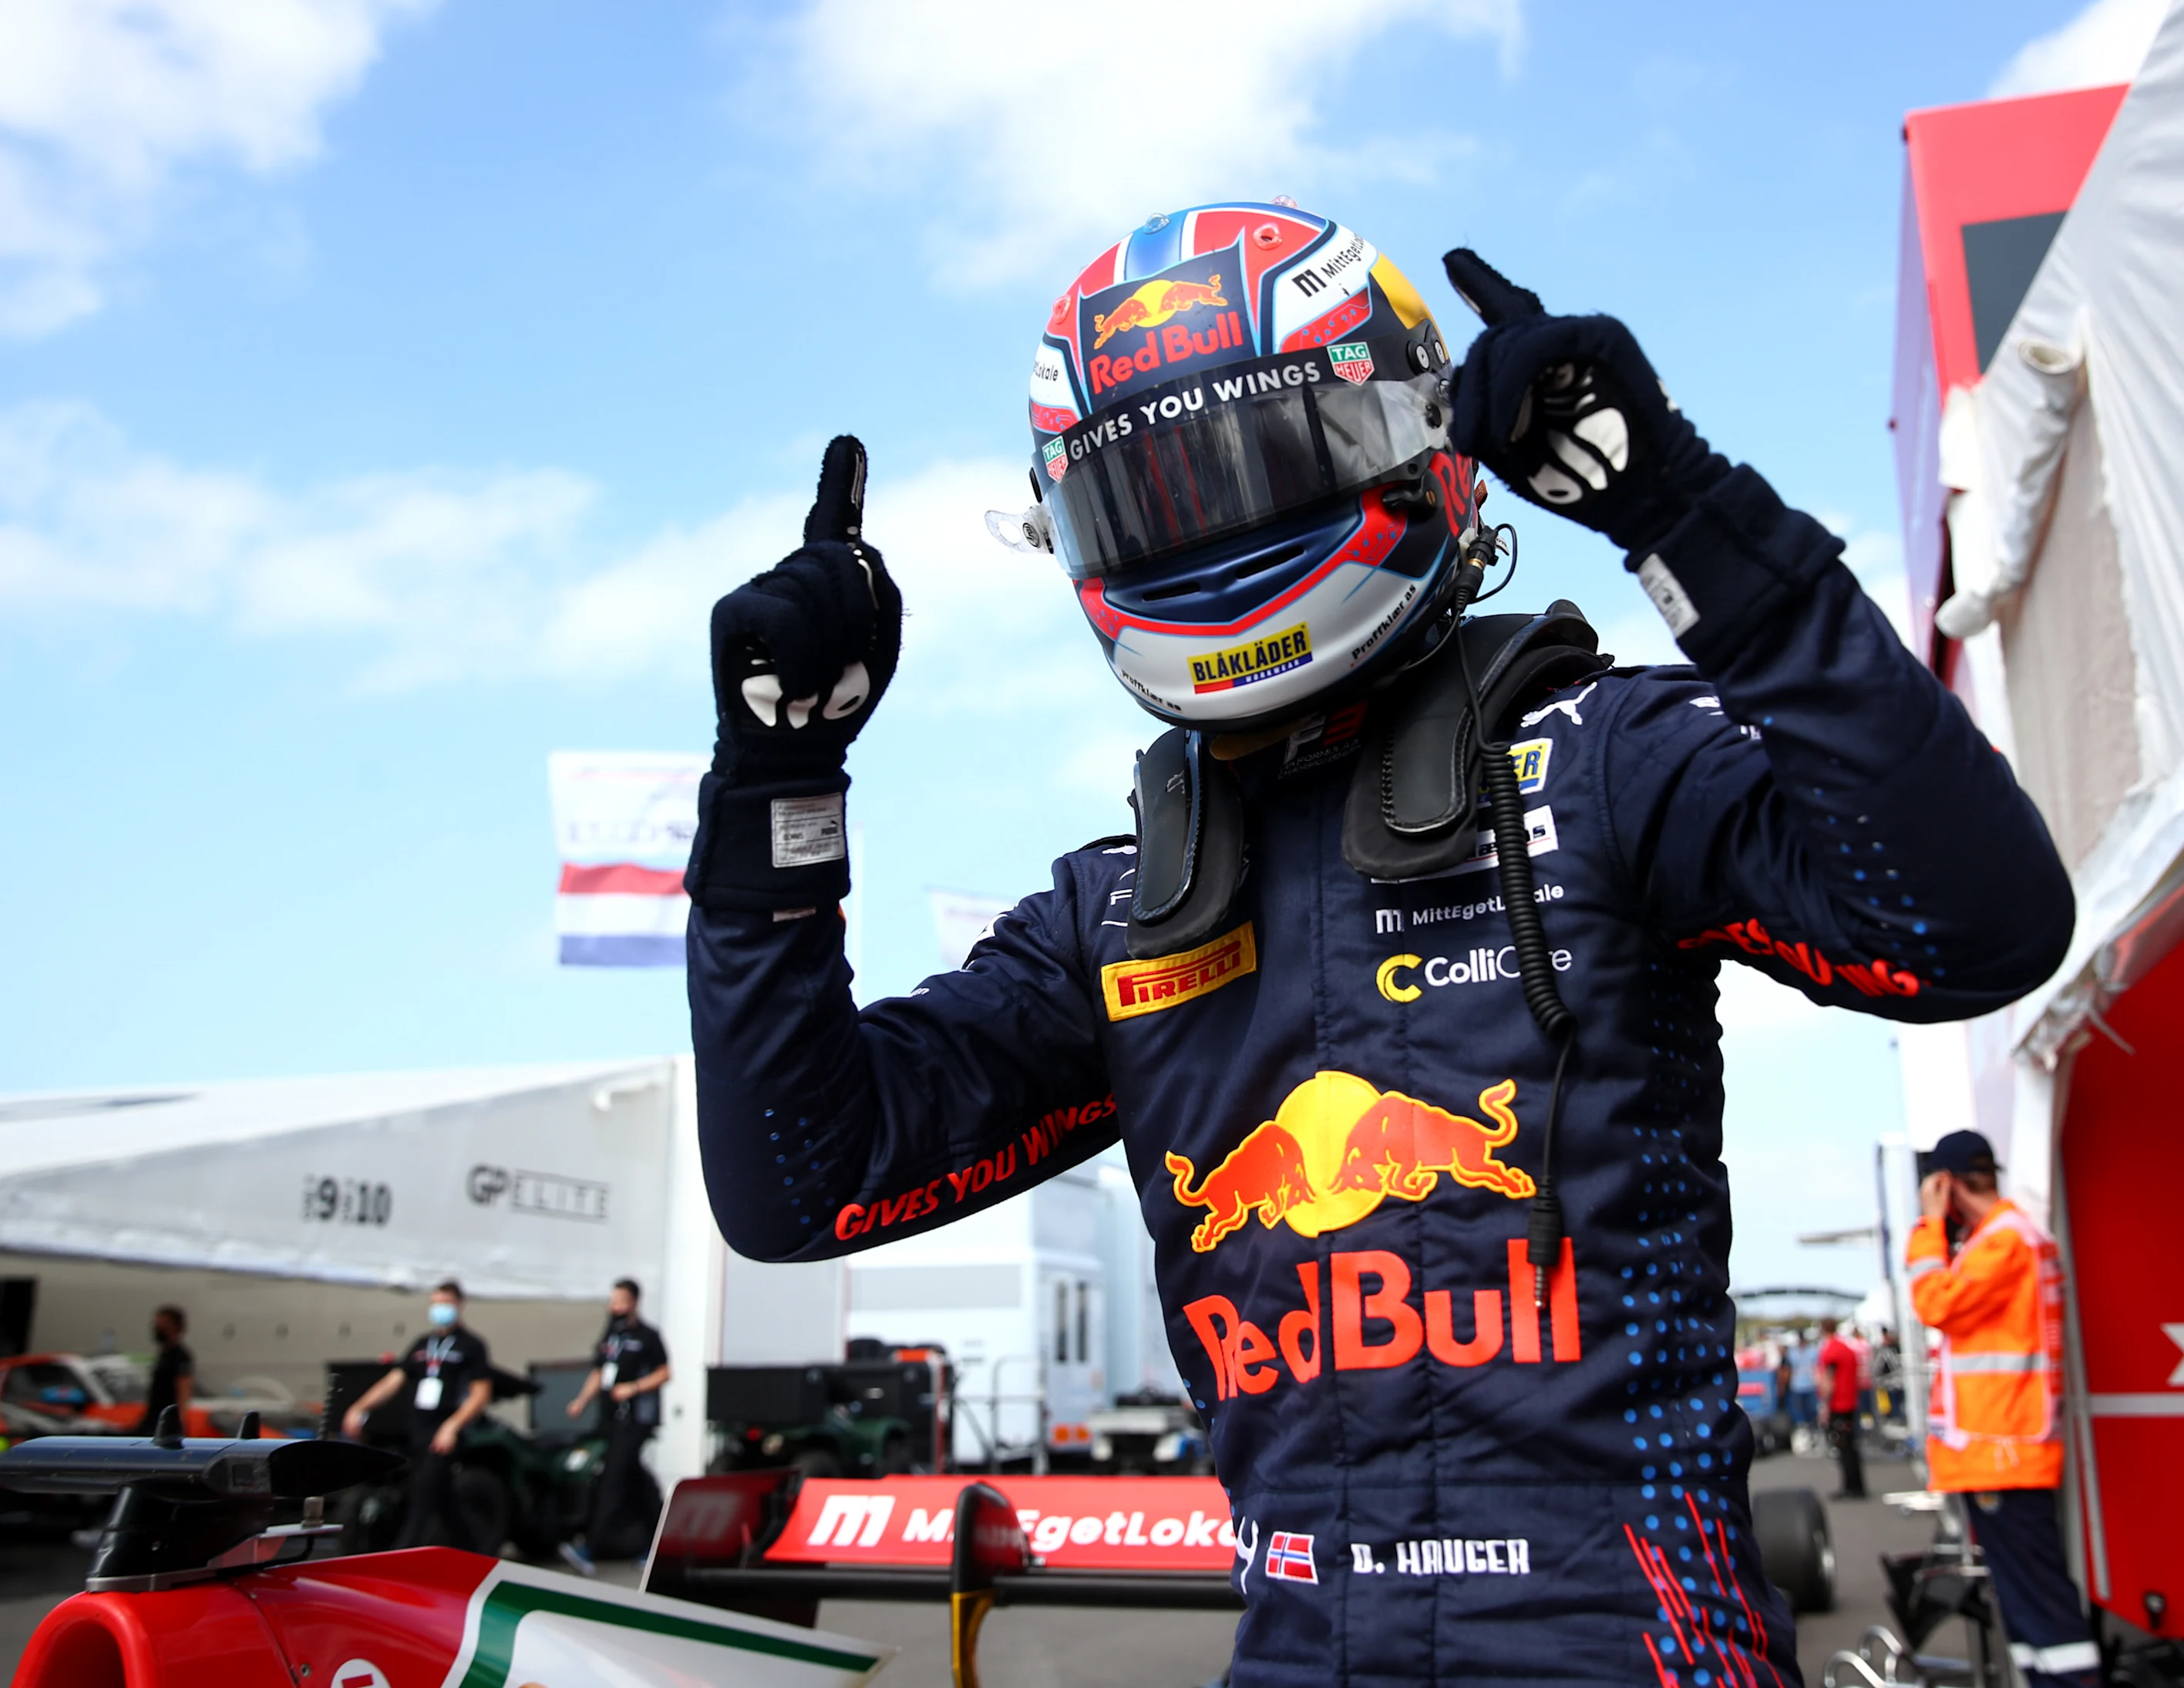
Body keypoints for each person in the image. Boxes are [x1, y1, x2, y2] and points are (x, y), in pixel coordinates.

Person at [685, 203, 2075, 1683]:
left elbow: (1973, 925)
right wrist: (779, 783)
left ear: (1407, 439)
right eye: (1151, 488)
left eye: (1243, 458)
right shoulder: (1120, 908)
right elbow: (800, 1179)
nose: (1207, 516)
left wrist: (1678, 508)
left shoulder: (1604, 765)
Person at [1906, 1130, 2099, 1688]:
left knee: (2039, 1603)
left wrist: (1927, 1226)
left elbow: (1935, 1301)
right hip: (2002, 1451)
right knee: (2026, 1604)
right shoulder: (2005, 1238)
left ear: (1945, 1184)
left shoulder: (2004, 1242)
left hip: (2003, 1453)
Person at [342, 1281, 493, 1550]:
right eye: (436, 1303)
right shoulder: (423, 1344)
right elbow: (393, 1381)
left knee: (423, 1495)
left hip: (446, 1432)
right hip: (420, 1431)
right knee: (445, 1502)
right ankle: (475, 1552)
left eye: (445, 1303)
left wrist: (453, 1426)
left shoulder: (471, 1346)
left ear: (459, 1305)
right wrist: (360, 1407)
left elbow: (480, 1394)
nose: (440, 1309)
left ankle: (402, 1552)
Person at [559, 1277, 671, 1575]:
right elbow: (599, 1372)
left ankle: (591, 1548)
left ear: (633, 1302)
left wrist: (634, 1388)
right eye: (613, 1300)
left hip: (636, 1419)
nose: (615, 1306)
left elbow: (664, 1373)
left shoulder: (647, 1336)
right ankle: (661, 1544)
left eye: (620, 1300)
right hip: (611, 1419)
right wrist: (582, 1400)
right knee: (638, 1483)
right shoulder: (610, 1336)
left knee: (614, 1479)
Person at [1815, 1318, 1867, 1499]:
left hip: (1839, 1403)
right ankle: (1855, 1485)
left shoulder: (1832, 1350)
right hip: (1850, 1401)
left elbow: (1828, 1380)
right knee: (1850, 1446)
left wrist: (1825, 1407)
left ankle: (1851, 1487)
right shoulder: (1846, 1348)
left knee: (1844, 1447)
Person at [143, 1305, 193, 1435]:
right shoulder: (163, 1354)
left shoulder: (179, 1356)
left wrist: (181, 1421)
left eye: (163, 1325)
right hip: (154, 1417)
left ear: (176, 1327)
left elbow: (184, 1388)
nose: (158, 1328)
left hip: (168, 1420)